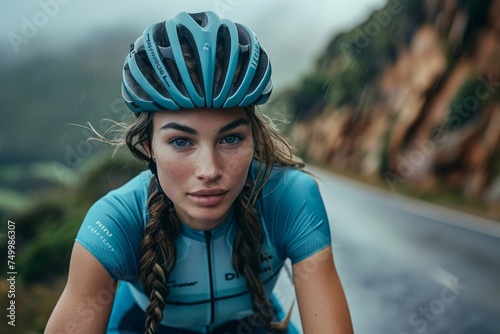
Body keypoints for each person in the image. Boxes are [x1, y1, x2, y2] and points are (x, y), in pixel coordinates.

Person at [45, 11, 353, 334]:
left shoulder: (293, 198)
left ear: (254, 138)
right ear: (148, 146)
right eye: (181, 141)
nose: (209, 171)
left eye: (231, 138)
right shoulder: (114, 222)